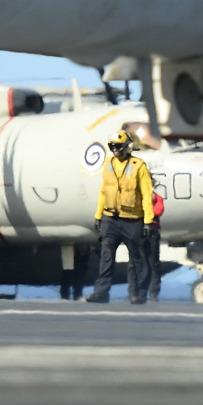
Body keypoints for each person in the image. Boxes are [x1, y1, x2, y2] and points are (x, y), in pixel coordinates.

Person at [85, 130, 155, 305]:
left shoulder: (139, 166)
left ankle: (139, 293)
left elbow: (147, 194)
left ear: (126, 147)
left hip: (133, 220)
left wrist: (148, 221)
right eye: (112, 147)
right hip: (110, 219)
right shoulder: (108, 164)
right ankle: (101, 292)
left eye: (118, 146)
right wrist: (98, 215)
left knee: (138, 258)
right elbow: (103, 191)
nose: (115, 150)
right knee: (106, 257)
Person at [142, 175, 166, 302]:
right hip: (139, 231)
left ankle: (153, 292)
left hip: (153, 231)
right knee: (136, 261)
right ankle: (137, 291)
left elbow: (158, 211)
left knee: (153, 262)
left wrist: (145, 210)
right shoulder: (138, 197)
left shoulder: (157, 198)